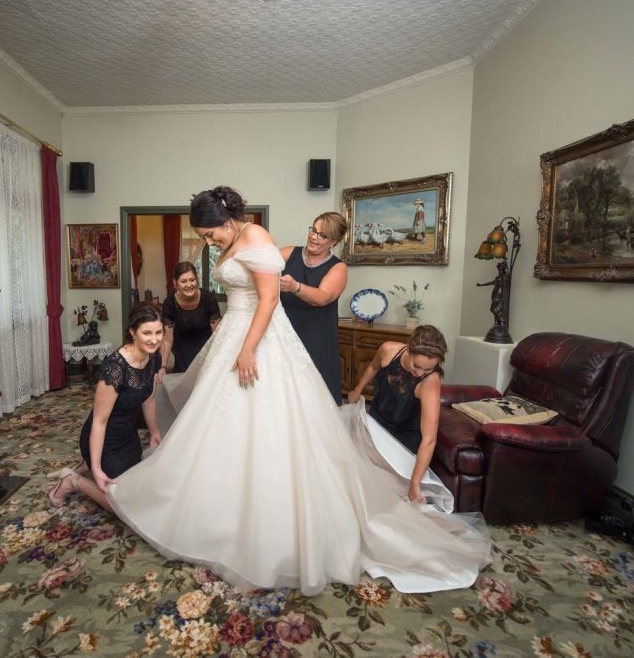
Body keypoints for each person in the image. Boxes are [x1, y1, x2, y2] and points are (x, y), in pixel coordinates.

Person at [107, 185, 490, 597]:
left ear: (226, 219)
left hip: (258, 339)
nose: (208, 241)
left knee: (270, 424)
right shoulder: (240, 240)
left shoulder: (255, 236)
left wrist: (249, 348)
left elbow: (269, 299)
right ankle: (217, 509)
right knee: (220, 425)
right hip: (235, 333)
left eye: (208, 234)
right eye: (202, 237)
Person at [47, 304, 164, 513]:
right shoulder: (115, 369)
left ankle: (86, 465)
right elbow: (99, 422)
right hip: (105, 438)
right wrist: (98, 468)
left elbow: (148, 399)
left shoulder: (153, 356)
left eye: (158, 332)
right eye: (147, 333)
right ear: (132, 332)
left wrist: (154, 432)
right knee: (119, 505)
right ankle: (72, 480)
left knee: (140, 490)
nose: (154, 339)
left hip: (128, 437)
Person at [345, 325, 455, 512]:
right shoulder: (389, 350)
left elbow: (429, 439)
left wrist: (415, 482)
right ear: (409, 349)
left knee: (383, 496)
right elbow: (372, 367)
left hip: (401, 440)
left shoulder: (430, 382)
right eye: (417, 366)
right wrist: (357, 389)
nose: (420, 373)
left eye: (428, 368)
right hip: (375, 423)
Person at [279, 212, 349, 404]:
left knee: (315, 393)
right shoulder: (288, 253)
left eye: (322, 235)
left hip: (316, 336)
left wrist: (295, 287)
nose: (313, 237)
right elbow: (261, 267)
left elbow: (323, 297)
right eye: (313, 230)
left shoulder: (338, 268)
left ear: (333, 242)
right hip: (284, 332)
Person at [160, 261, 221, 374]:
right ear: (175, 283)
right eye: (183, 281)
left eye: (192, 280)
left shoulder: (209, 299)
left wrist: (218, 360)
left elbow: (217, 335)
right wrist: (162, 367)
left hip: (206, 351)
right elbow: (168, 339)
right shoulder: (169, 303)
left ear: (196, 280)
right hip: (182, 353)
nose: (189, 285)